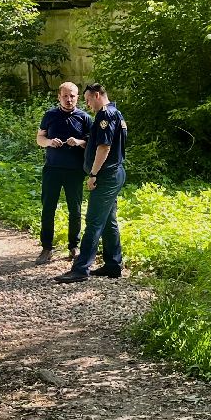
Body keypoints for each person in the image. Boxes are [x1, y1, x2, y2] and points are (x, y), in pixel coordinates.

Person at [54, 82, 127, 283]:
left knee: (94, 221)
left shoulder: (105, 114)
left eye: (87, 100)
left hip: (107, 175)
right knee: (108, 220)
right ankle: (113, 265)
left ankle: (81, 268)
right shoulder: (116, 113)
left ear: (96, 95)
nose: (87, 105)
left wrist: (93, 174)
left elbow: (104, 147)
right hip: (115, 173)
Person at [35, 81, 91, 263]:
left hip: (75, 171)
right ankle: (46, 248)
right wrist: (50, 142)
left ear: (78, 97)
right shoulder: (50, 115)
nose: (69, 99)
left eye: (72, 96)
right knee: (48, 208)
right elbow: (39, 138)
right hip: (52, 169)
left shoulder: (84, 118)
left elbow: (92, 143)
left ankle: (74, 246)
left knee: (74, 209)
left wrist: (80, 142)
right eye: (65, 96)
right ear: (59, 97)